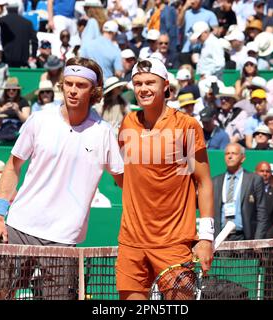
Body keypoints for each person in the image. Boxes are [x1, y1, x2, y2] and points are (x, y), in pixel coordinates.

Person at [0, 57, 124, 300]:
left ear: (94, 91)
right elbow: (12, 167)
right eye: (68, 83)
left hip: (63, 239)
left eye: (80, 85)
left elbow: (125, 181)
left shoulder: (104, 133)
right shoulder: (40, 120)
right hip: (18, 226)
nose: (72, 90)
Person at [116, 57, 214, 300]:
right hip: (131, 242)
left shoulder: (187, 126)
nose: (143, 88)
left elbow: (203, 182)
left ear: (166, 87)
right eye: (137, 83)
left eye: (150, 82)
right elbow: (124, 178)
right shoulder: (127, 124)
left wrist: (206, 237)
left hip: (174, 243)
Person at [213, 143, 268, 241]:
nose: (230, 156)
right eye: (227, 154)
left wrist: (257, 240)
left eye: (234, 153)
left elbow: (262, 212)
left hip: (243, 237)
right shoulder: (216, 181)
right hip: (220, 238)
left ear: (243, 158)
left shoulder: (254, 180)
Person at [0, 3, 38, 68]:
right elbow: (34, 41)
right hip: (22, 60)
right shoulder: (27, 23)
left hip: (5, 59)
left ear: (7, 9)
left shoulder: (1, 21)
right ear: (17, 9)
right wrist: (33, 56)